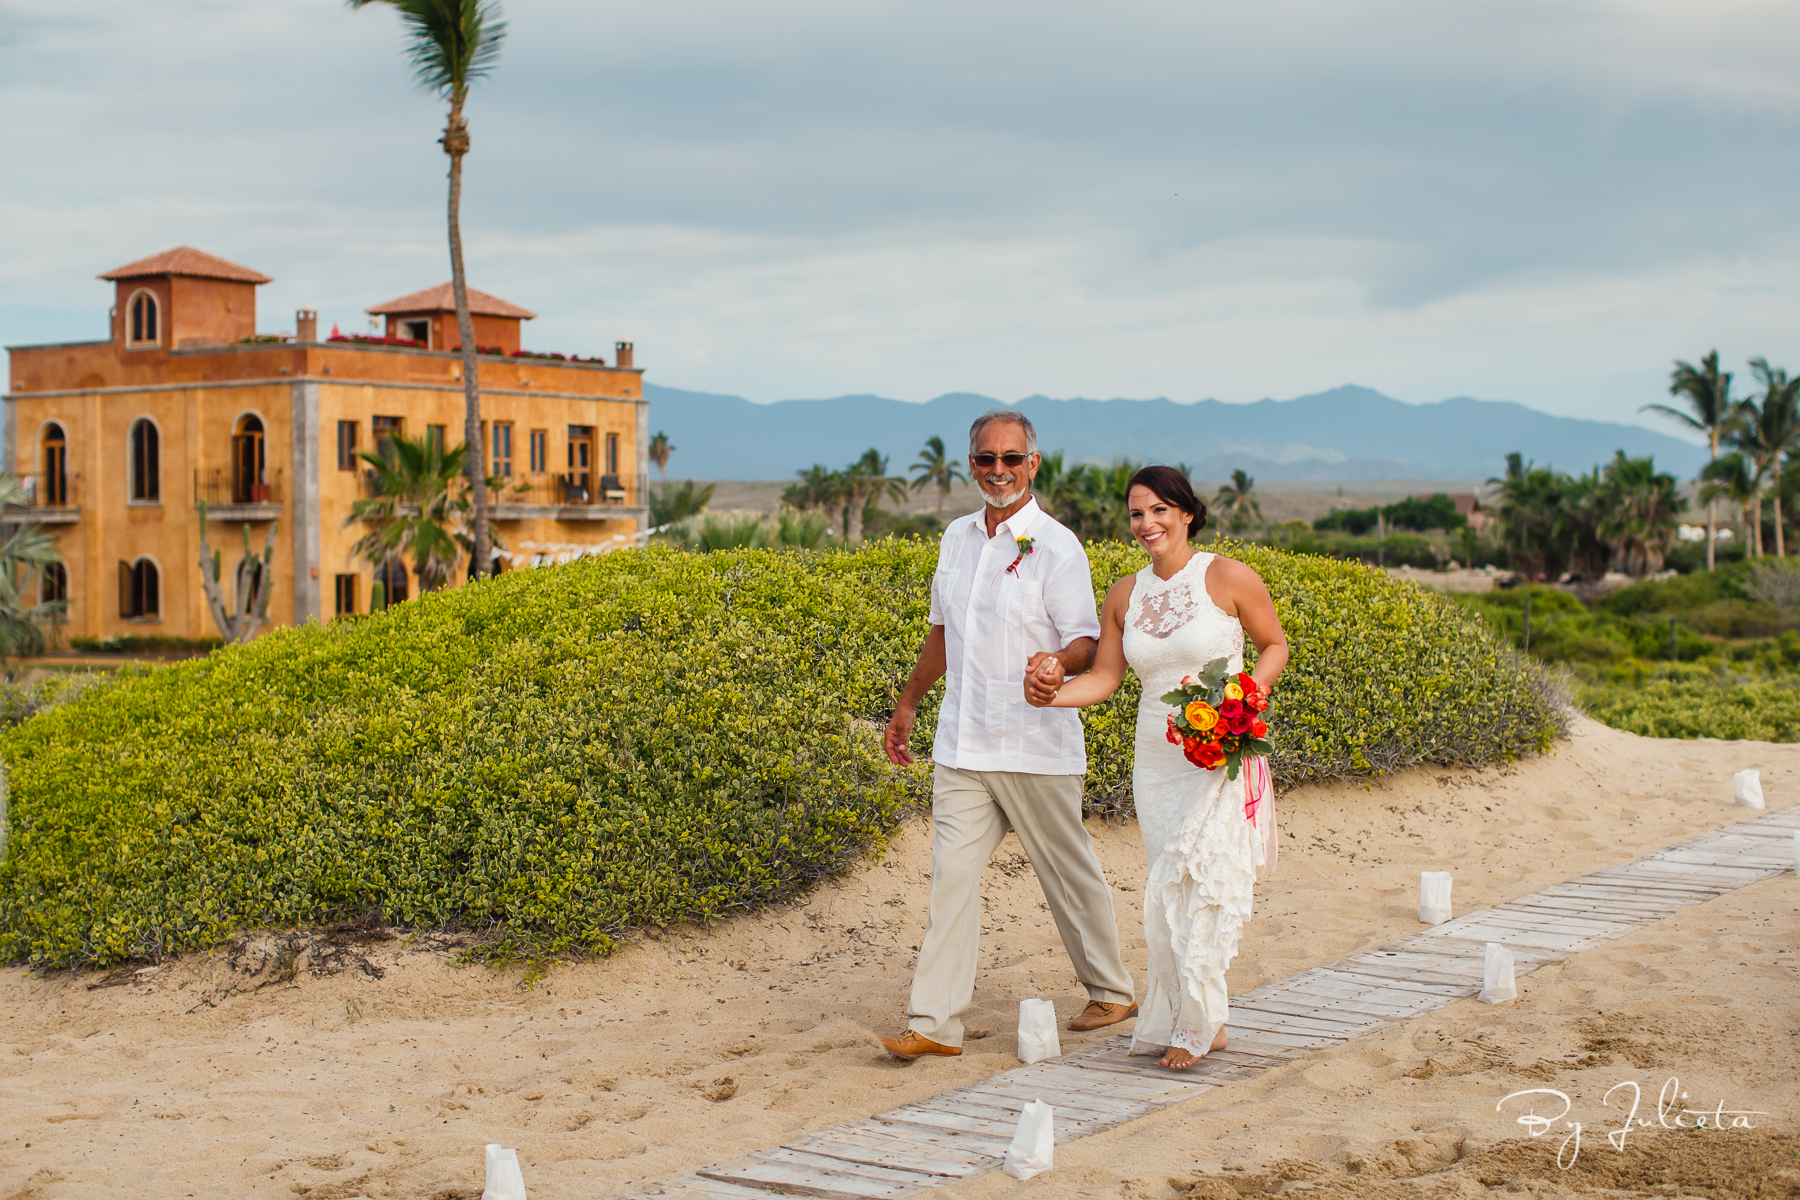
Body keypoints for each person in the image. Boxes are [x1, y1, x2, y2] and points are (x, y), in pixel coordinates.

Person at [879, 409, 1137, 1062]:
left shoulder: (1057, 546)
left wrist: (1059, 662)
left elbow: (1085, 637)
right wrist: (909, 702)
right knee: (951, 878)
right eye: (986, 459)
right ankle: (935, 1023)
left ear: (1034, 464)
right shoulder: (955, 538)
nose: (999, 471)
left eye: (1011, 459)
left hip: (1035, 744)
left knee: (1067, 872)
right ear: (971, 465)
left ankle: (1111, 990)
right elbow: (943, 632)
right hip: (963, 744)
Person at [1026, 466, 1289, 1069]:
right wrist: (1049, 692)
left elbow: (1274, 645)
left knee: (1206, 877)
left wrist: (1244, 697)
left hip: (1219, 751)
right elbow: (1105, 679)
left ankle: (1199, 1022)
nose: (1146, 525)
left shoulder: (1226, 576)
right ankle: (1196, 1017)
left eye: (1158, 512)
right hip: (1157, 756)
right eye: (1136, 514)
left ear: (1186, 513)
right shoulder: (1125, 593)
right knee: (1167, 884)